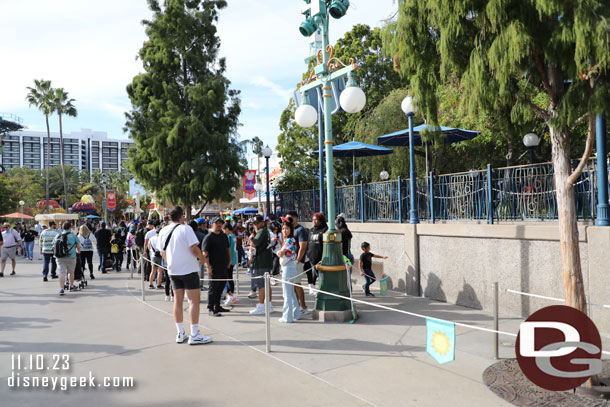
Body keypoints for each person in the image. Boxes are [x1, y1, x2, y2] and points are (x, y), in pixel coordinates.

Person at [159, 206, 212, 345]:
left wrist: (170, 262)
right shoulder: (186, 229)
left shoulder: (163, 231)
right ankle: (194, 334)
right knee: (194, 301)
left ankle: (180, 332)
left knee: (177, 301)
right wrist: (203, 259)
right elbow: (194, 248)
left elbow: (162, 253)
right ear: (181, 216)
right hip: (188, 269)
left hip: (173, 270)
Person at [201, 218, 231, 317]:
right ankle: (210, 308)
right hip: (213, 267)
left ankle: (217, 306)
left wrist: (229, 260)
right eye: (216, 223)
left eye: (220, 223)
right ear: (212, 224)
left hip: (223, 266)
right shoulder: (209, 237)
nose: (219, 225)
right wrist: (208, 267)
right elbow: (205, 252)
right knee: (213, 288)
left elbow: (228, 248)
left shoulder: (224, 236)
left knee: (220, 287)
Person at [248, 215, 275, 315]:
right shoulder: (265, 231)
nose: (255, 225)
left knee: (261, 285)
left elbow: (254, 244)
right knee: (266, 284)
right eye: (254, 223)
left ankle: (261, 306)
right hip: (265, 260)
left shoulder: (261, 231)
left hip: (261, 261)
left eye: (256, 223)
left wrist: (250, 242)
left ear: (262, 223)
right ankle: (269, 305)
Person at [286, 210, 310, 315]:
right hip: (289, 261)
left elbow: (302, 246)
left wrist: (298, 260)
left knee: (297, 283)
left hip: (297, 261)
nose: (288, 221)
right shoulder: (290, 230)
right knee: (292, 284)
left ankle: (303, 306)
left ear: (296, 218)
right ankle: (296, 306)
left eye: (290, 219)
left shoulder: (300, 230)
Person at [277, 221, 300, 323]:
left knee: (287, 293)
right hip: (289, 266)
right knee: (290, 292)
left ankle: (287, 317)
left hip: (288, 267)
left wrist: (279, 252)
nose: (284, 231)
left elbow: (281, 253)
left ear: (291, 229)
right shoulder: (289, 239)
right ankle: (295, 313)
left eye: (286, 228)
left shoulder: (290, 240)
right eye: (283, 229)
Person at [53, 222, 81, 296]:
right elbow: (78, 245)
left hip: (59, 257)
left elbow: (53, 245)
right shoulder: (73, 236)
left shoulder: (58, 235)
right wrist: (78, 251)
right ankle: (71, 286)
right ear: (70, 228)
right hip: (71, 256)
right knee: (71, 272)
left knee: (61, 273)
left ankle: (61, 289)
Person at [222, 222, 238, 306]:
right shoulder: (234, 236)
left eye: (224, 229)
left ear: (228, 229)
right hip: (233, 259)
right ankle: (230, 294)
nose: (223, 231)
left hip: (229, 260)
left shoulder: (229, 237)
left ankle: (230, 294)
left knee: (228, 277)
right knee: (229, 277)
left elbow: (227, 248)